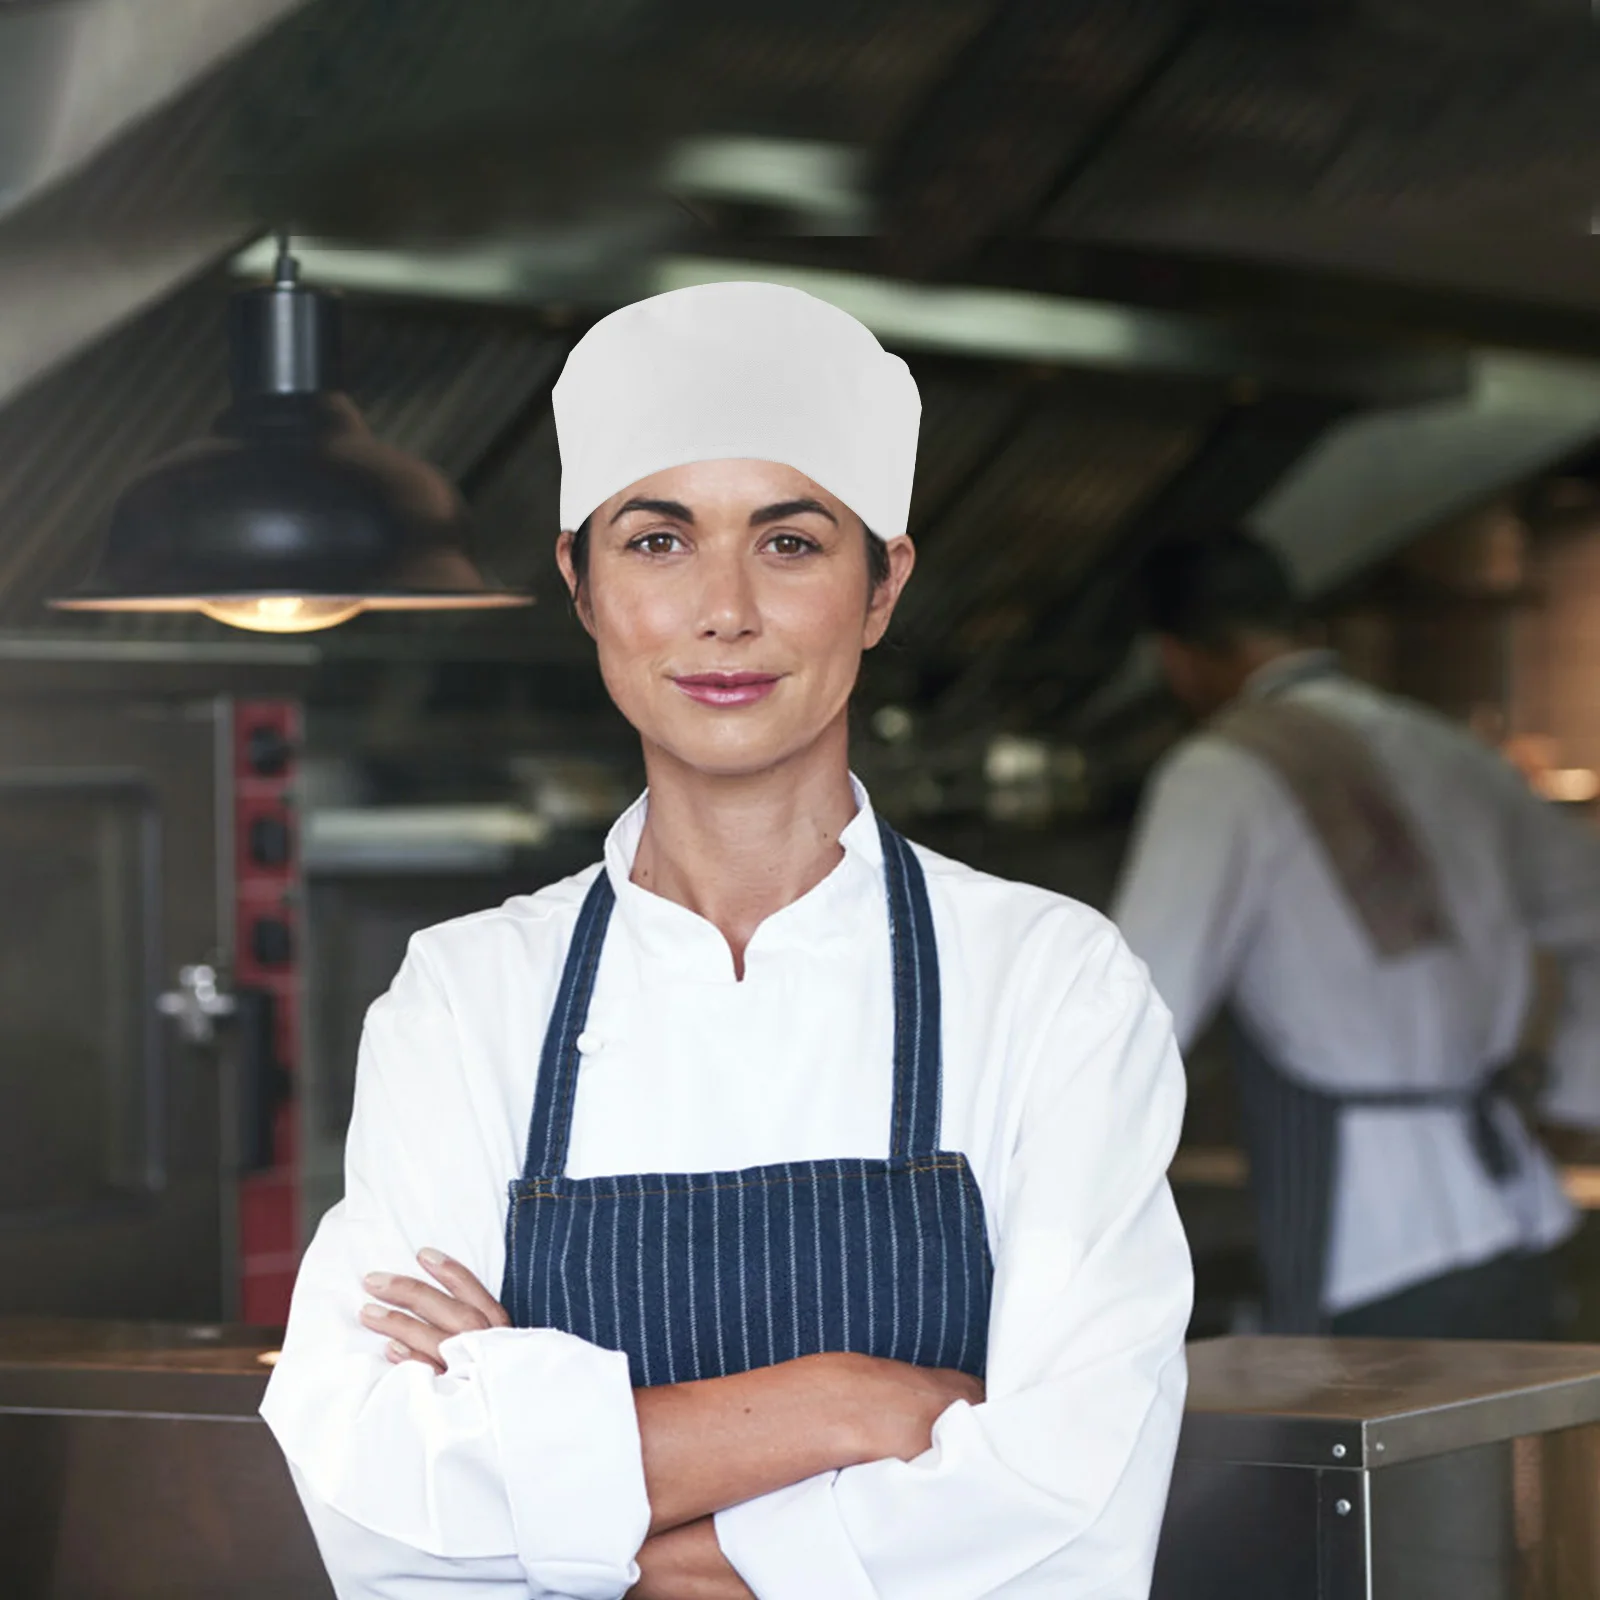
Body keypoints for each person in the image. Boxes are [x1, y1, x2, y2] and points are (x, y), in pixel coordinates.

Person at [262, 281, 1192, 1600]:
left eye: (792, 543)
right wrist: (853, 1404)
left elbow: (1067, 1504)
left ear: (883, 588)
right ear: (580, 585)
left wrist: (580, 1513)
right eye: (657, 542)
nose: (724, 611)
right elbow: (373, 1500)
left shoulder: (1051, 982)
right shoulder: (468, 998)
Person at [1112, 527, 1600, 1339]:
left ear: (1177, 659)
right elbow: (1588, 912)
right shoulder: (1446, 748)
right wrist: (1556, 1084)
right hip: (1513, 1206)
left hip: (1373, 1244)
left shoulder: (1219, 772)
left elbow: (1132, 1011)